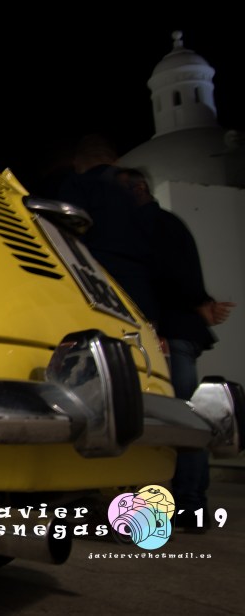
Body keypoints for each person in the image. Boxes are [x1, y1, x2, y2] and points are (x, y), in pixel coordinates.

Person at [115, 167, 235, 532]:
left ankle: (187, 504)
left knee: (177, 420)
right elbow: (182, 275)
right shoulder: (169, 223)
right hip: (180, 331)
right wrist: (201, 302)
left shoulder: (146, 224)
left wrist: (196, 303)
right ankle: (191, 504)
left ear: (138, 188)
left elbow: (166, 276)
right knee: (185, 419)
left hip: (167, 332)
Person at [56, 134, 158, 321]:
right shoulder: (135, 189)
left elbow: (69, 236)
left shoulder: (76, 185)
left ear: (77, 162)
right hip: (141, 285)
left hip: (98, 284)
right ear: (116, 161)